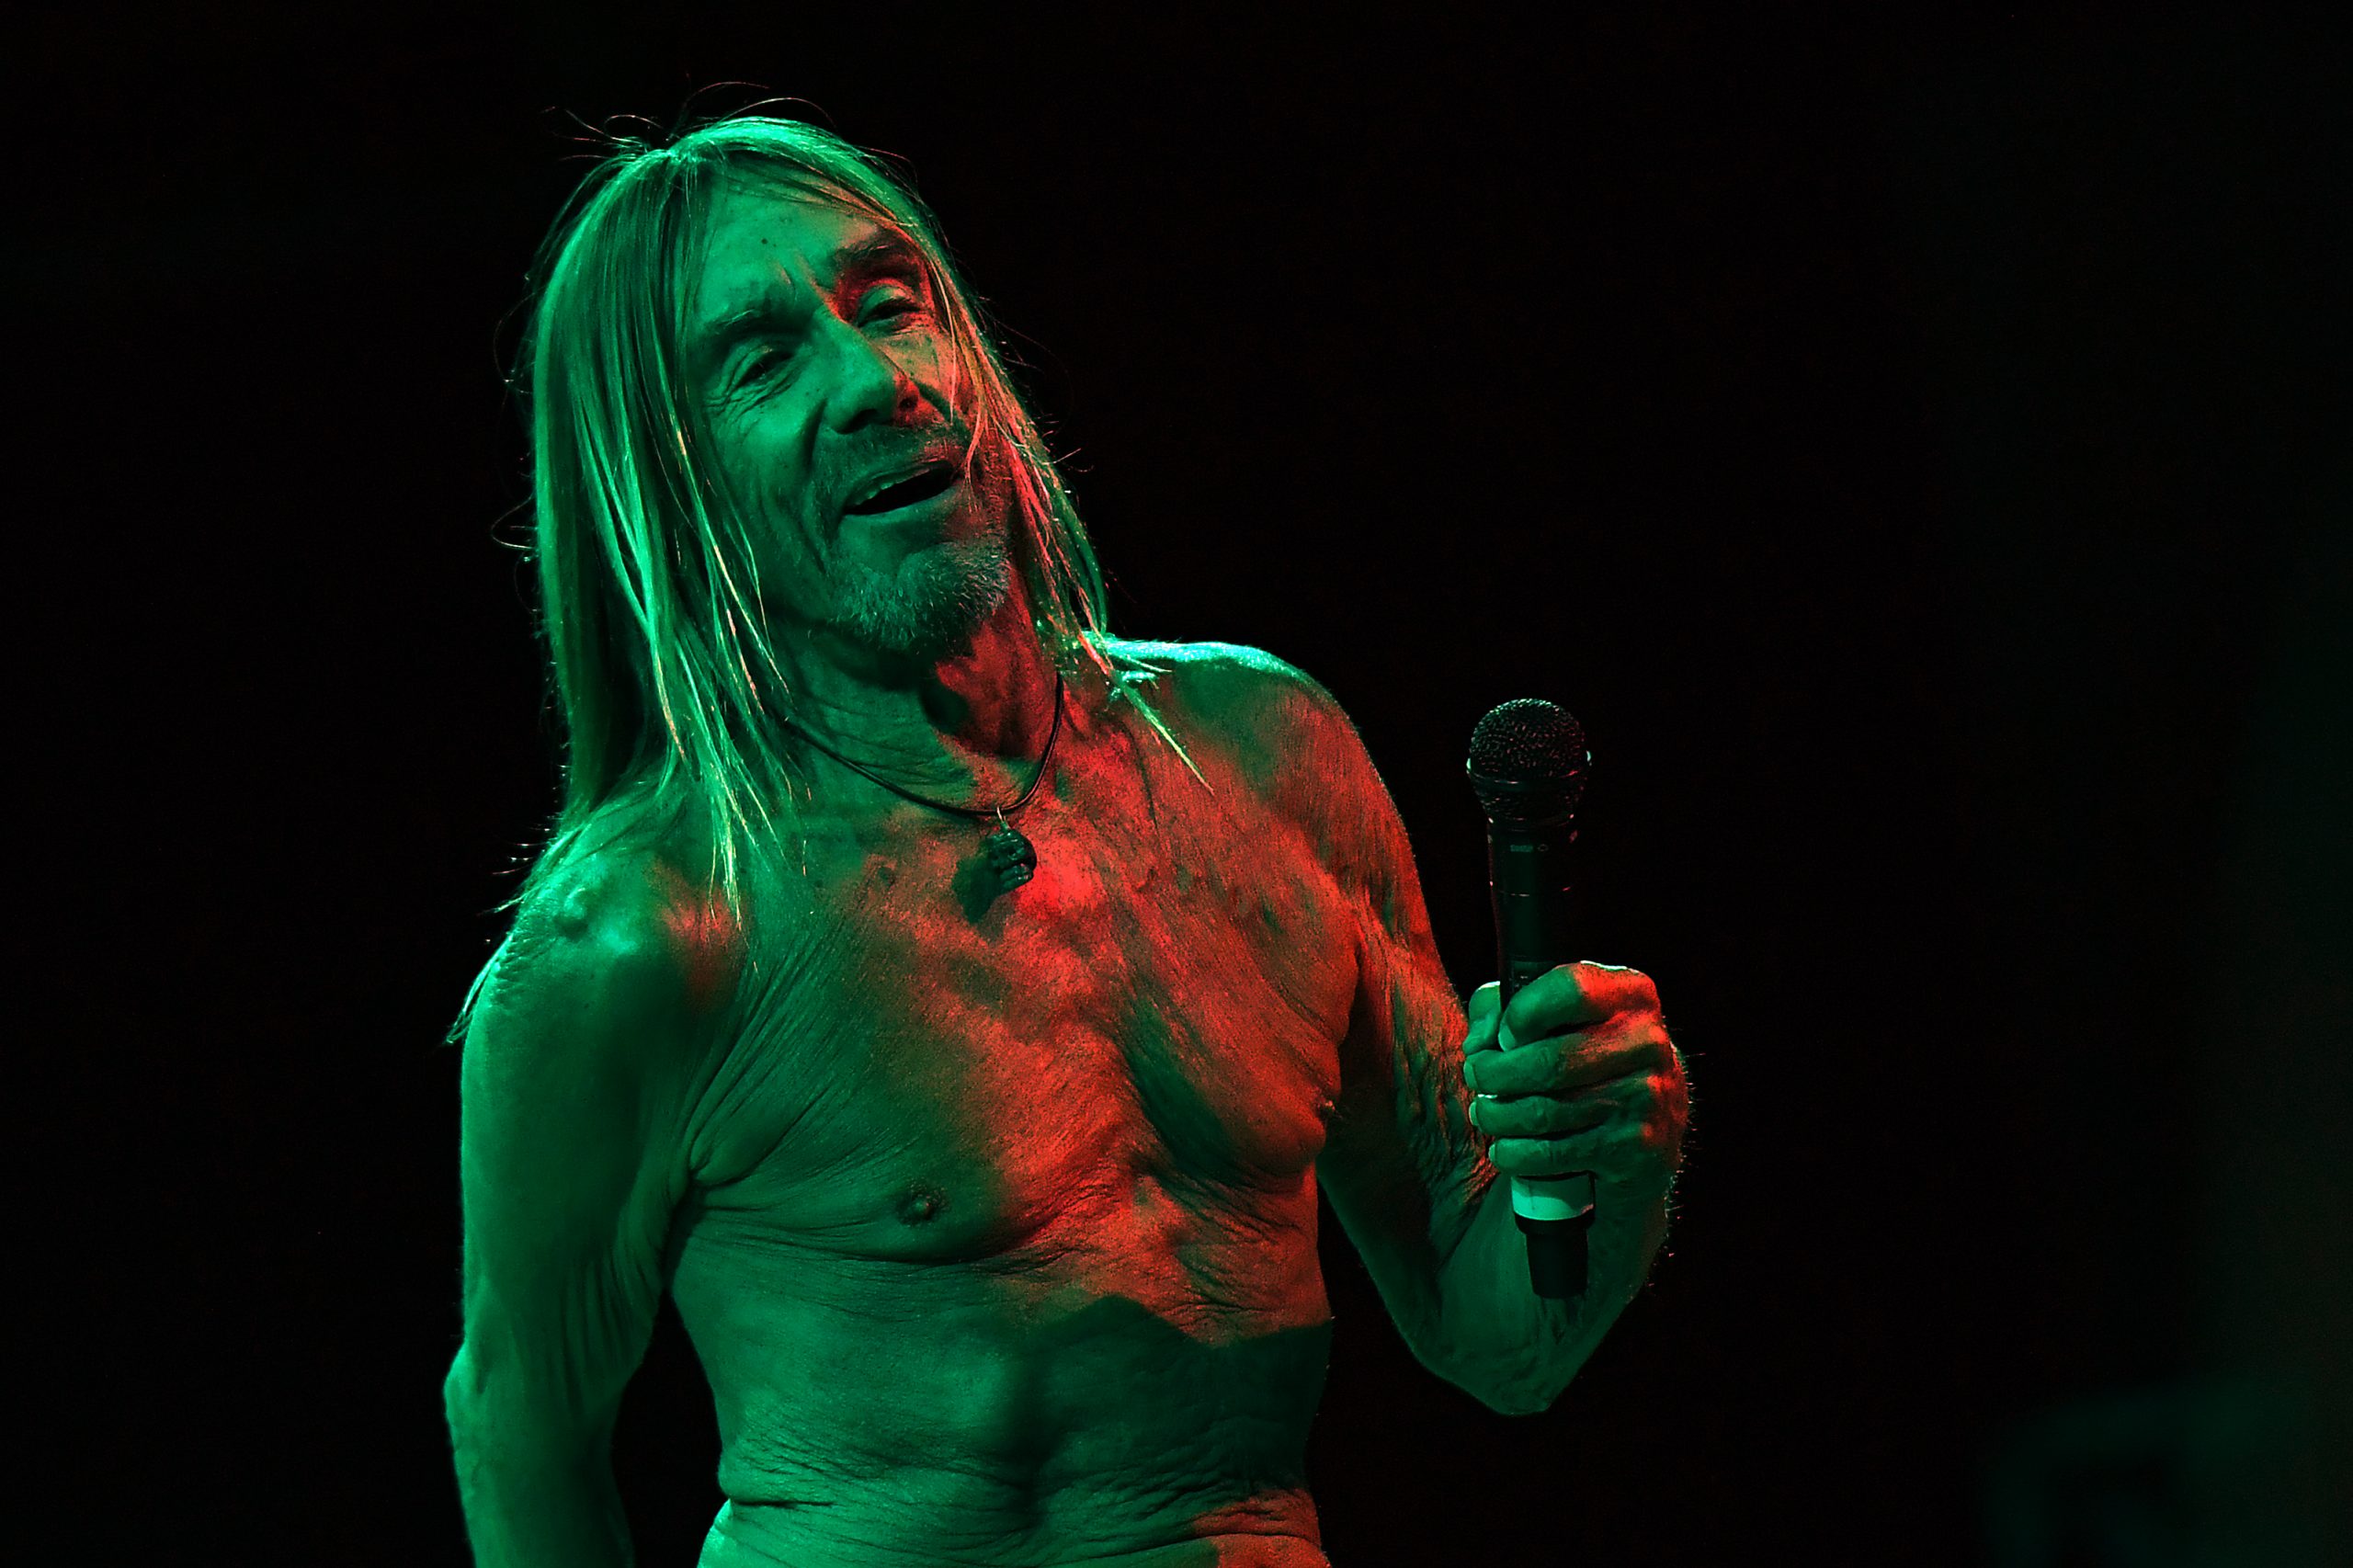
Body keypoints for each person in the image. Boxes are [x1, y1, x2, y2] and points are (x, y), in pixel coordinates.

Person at [440, 113, 1689, 1568]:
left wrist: (1617, 1144)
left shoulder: (1268, 758)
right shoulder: (646, 929)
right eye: (765, 358)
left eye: (890, 301)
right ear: (670, 484)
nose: (878, 380)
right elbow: (518, 1424)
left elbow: (1499, 1341)